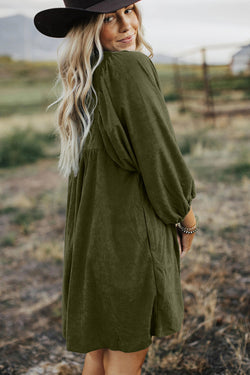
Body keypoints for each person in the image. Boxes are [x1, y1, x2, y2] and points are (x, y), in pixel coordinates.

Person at [34, 1, 198, 374]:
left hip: (90, 239)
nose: (128, 25)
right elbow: (159, 156)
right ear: (89, 29)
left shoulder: (86, 78)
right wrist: (185, 217)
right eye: (110, 18)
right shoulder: (130, 67)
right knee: (126, 349)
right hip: (129, 238)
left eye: (129, 10)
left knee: (99, 352)